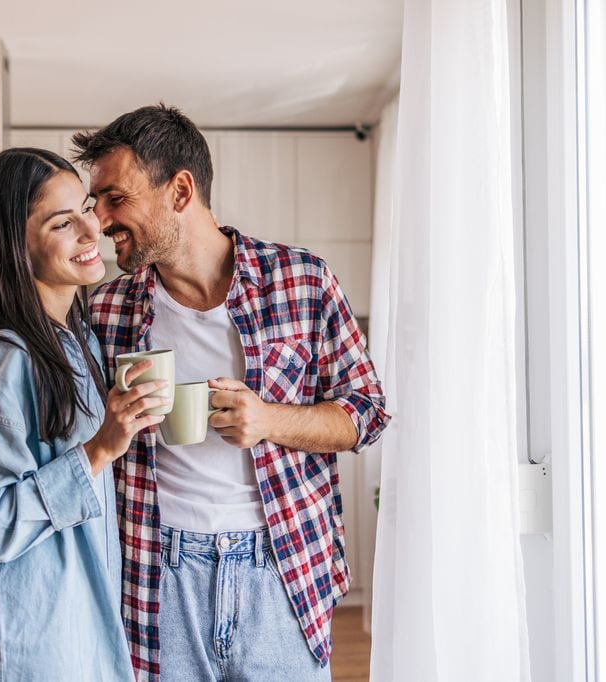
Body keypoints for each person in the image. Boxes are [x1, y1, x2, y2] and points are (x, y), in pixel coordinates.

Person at [75, 105, 390, 681]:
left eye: (114, 198)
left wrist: (269, 420)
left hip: (282, 569)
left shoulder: (303, 281)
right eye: (95, 204)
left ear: (180, 190)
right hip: (157, 574)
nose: (98, 219)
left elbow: (366, 412)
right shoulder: (105, 309)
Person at [0, 147, 169, 680]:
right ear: (14, 246)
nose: (93, 232)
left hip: (76, 633)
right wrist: (99, 449)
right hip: (30, 647)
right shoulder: (7, 355)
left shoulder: (79, 339)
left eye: (87, 209)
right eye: (63, 223)